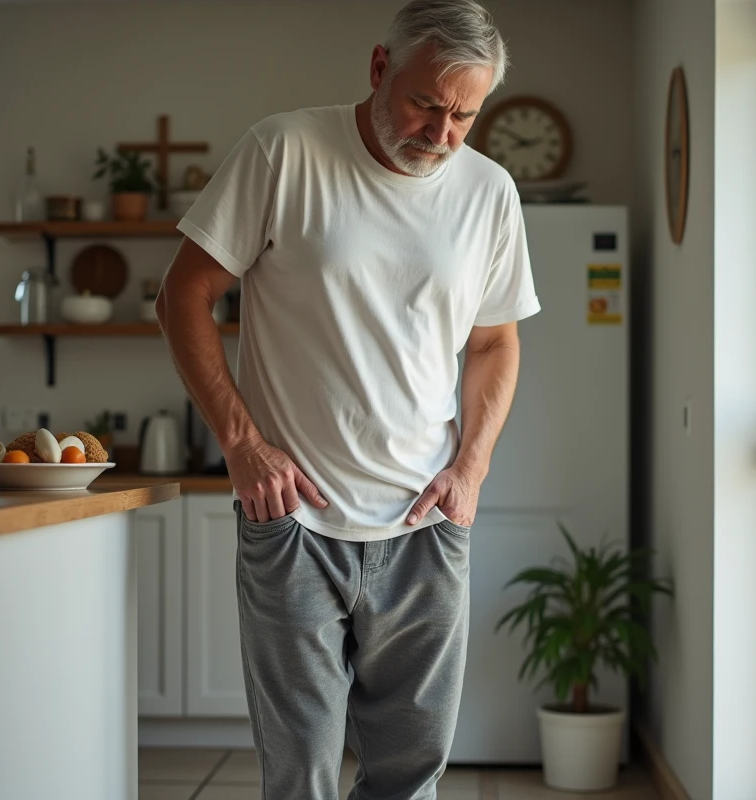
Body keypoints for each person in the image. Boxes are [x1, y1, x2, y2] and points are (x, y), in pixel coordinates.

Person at [156, 1, 539, 796]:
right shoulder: (284, 150)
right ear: (378, 69)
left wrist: (470, 470)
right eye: (425, 103)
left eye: (465, 114)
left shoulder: (490, 193)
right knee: (301, 776)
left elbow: (496, 342)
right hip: (293, 519)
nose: (442, 132)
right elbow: (182, 296)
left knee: (410, 772)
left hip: (429, 522)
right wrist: (243, 444)